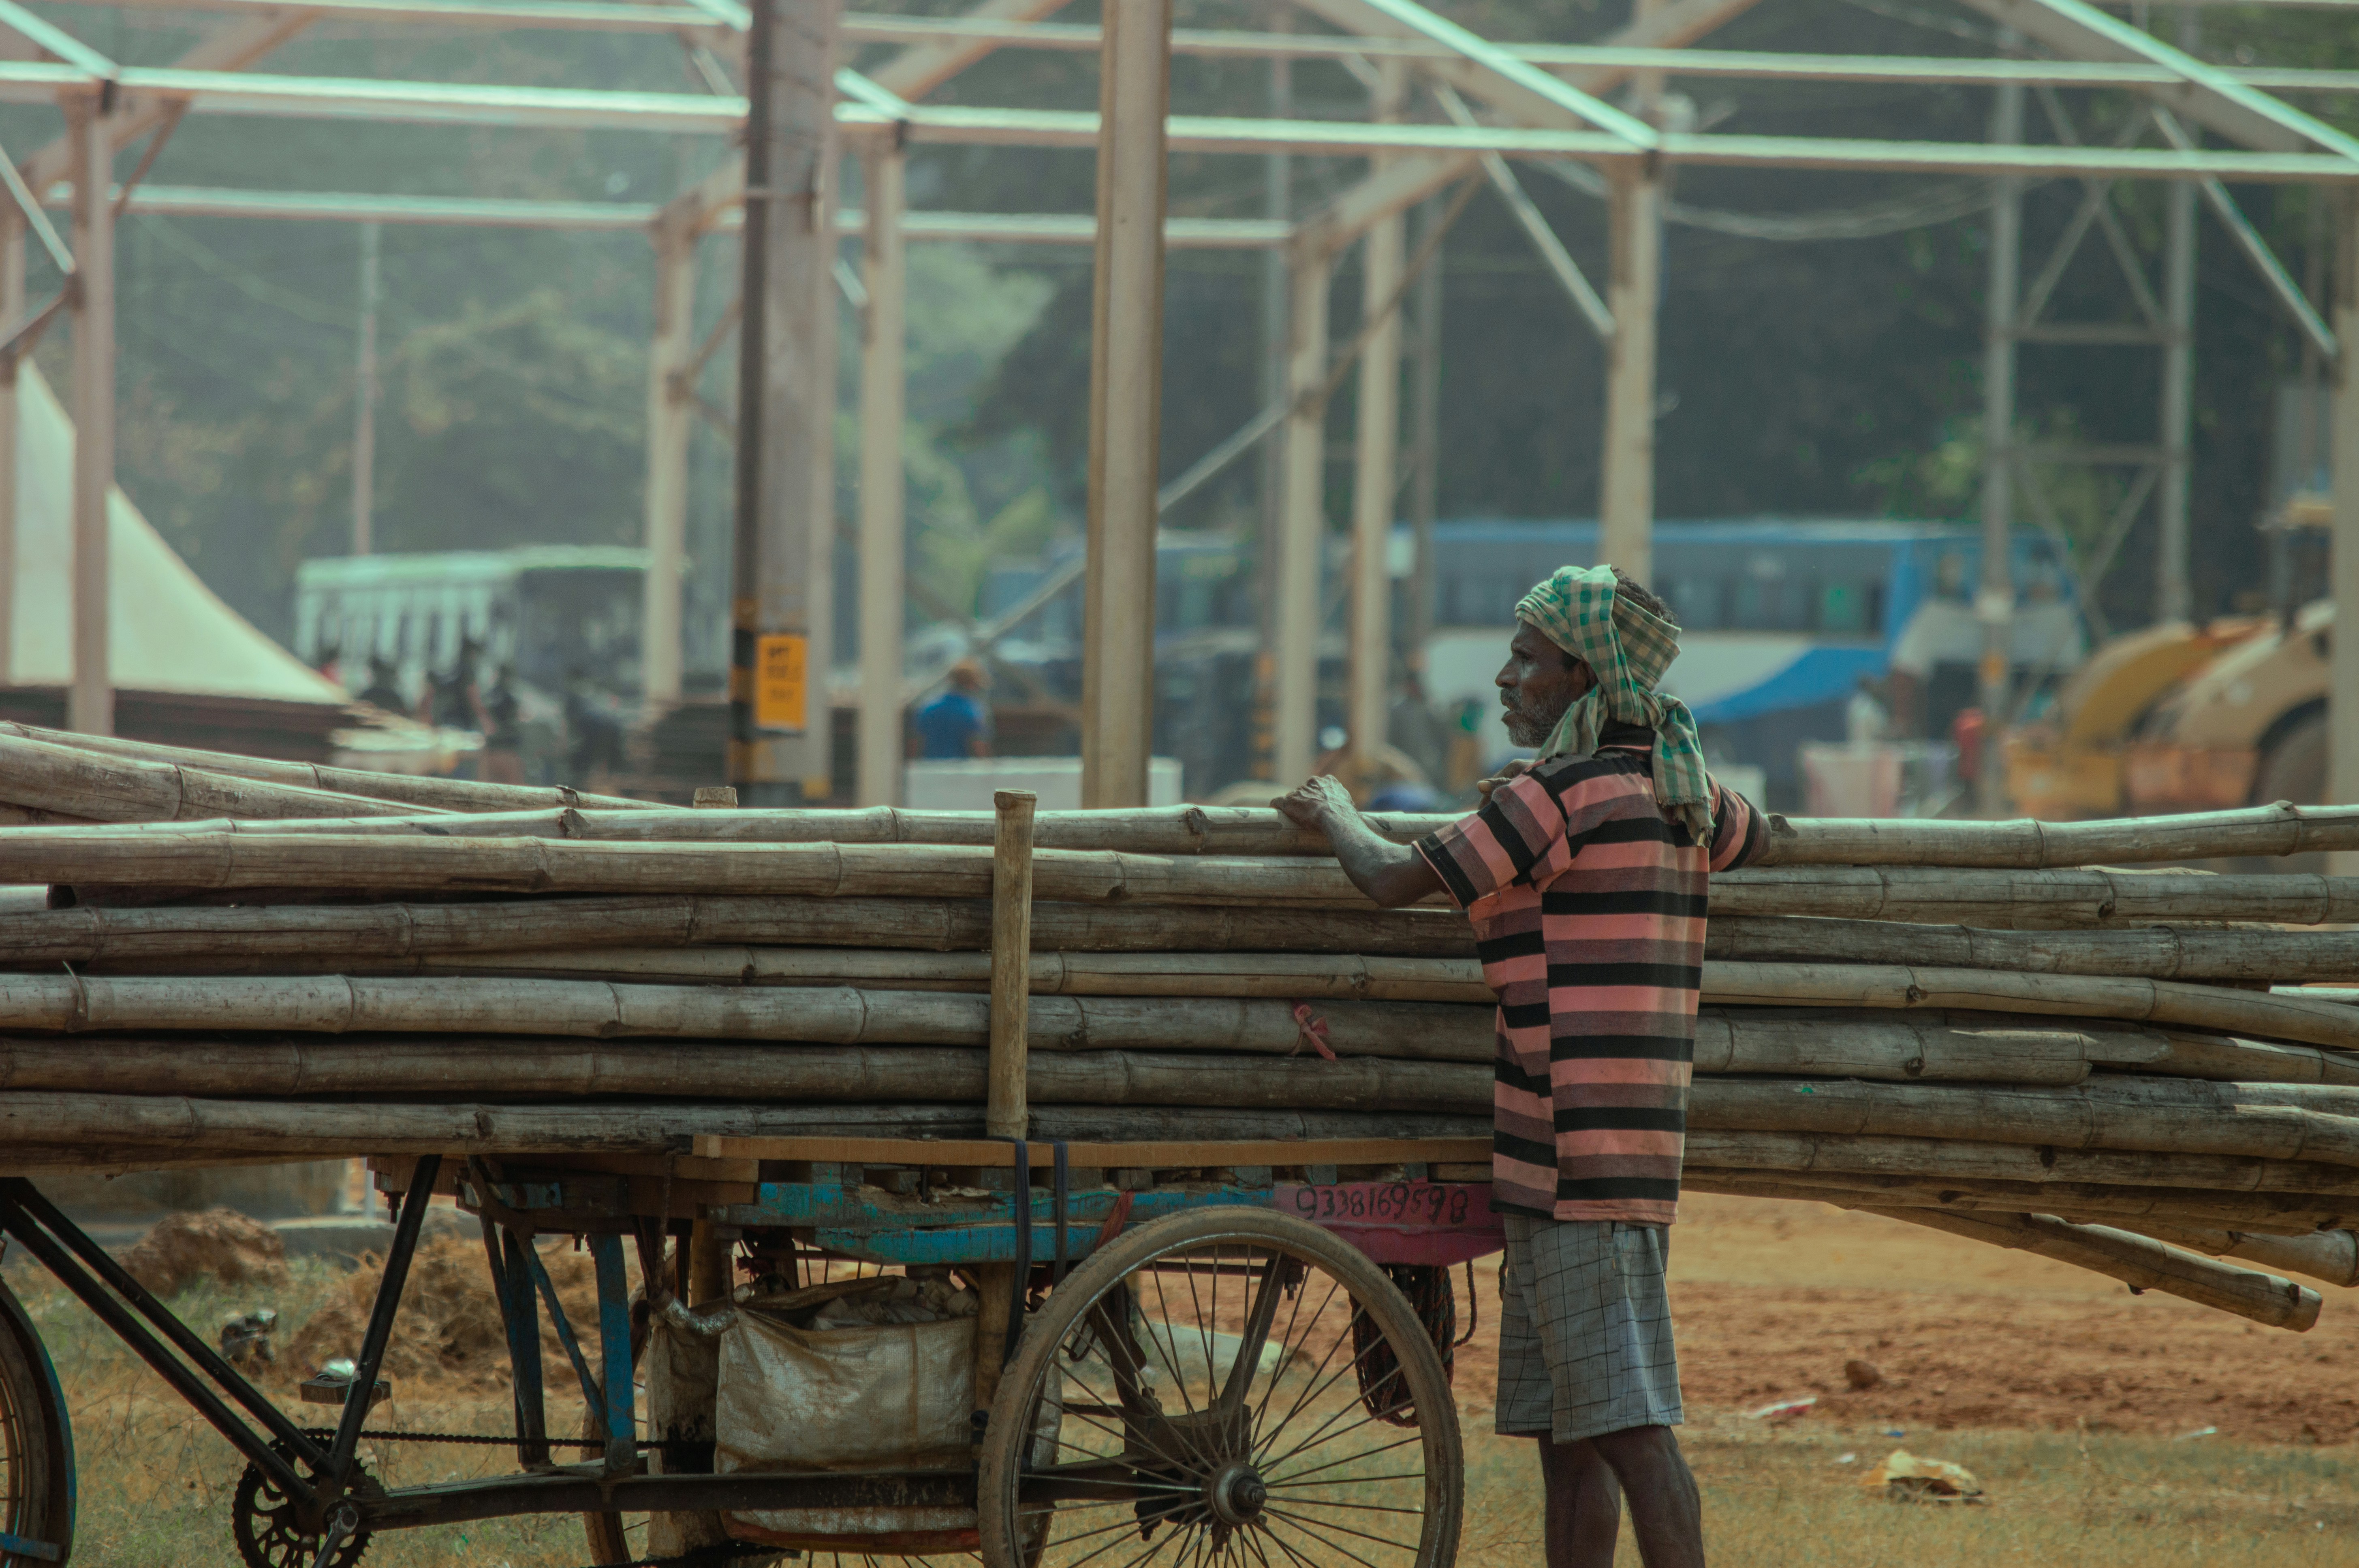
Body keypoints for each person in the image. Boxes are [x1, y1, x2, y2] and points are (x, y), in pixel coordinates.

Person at [1275, 563, 1765, 1568]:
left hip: (1575, 1146)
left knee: (1627, 1424)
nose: (1504, 678)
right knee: (1569, 1436)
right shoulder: (1681, 793)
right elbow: (1761, 836)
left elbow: (1383, 878)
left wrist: (1330, 807)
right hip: (1583, 1146)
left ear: (1580, 675)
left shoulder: (1562, 793)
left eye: (1525, 658)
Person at [912, 660, 992, 760]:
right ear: (972, 684)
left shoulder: (928, 708)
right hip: (960, 770)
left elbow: (915, 742)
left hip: (931, 768)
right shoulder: (973, 711)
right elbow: (979, 745)